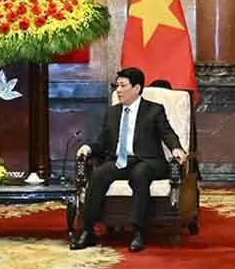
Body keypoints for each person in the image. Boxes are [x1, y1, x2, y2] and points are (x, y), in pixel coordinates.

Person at [71, 66, 186, 254]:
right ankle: (88, 230)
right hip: (121, 160)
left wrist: (176, 148)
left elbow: (167, 133)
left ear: (137, 88)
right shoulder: (113, 112)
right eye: (117, 86)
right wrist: (89, 147)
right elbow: (102, 140)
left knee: (140, 174)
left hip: (149, 161)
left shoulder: (153, 110)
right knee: (99, 174)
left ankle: (139, 232)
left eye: (123, 86)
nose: (118, 90)